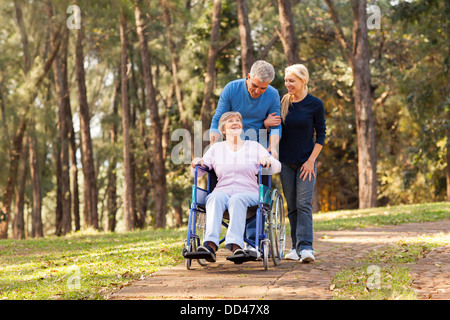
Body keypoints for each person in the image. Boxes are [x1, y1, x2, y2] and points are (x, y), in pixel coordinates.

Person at [190, 111, 281, 263]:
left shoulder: (254, 146)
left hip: (249, 193)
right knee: (213, 197)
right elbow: (197, 172)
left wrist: (268, 159)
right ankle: (210, 246)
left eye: (238, 120)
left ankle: (235, 246)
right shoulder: (216, 149)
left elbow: (277, 167)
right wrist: (197, 162)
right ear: (223, 130)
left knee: (237, 199)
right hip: (223, 192)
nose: (235, 123)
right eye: (230, 121)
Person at [278, 64, 326, 263]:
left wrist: (311, 161)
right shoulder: (283, 102)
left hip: (306, 163)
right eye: (286, 81)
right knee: (292, 207)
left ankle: (306, 247)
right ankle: (296, 248)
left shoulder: (315, 104)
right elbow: (275, 128)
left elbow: (321, 134)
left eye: (292, 81)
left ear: (303, 81)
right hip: (285, 162)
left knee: (304, 203)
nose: (288, 84)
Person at [209, 60, 282, 158]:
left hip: (259, 150)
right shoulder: (231, 89)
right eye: (255, 85)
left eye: (263, 88)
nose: (257, 91)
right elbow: (218, 120)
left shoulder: (273, 94)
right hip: (232, 148)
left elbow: (276, 126)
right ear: (249, 77)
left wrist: (272, 148)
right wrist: (213, 147)